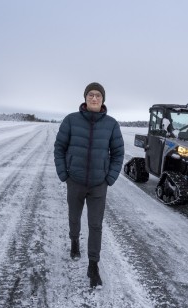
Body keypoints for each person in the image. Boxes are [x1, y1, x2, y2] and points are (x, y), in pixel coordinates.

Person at [53, 82, 125, 289]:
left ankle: (93, 265)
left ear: (103, 100)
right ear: (85, 98)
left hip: (98, 185)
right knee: (74, 218)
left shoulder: (111, 124)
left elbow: (118, 153)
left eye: (98, 96)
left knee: (96, 225)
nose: (94, 98)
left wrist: (109, 178)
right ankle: (74, 241)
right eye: (91, 95)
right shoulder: (71, 120)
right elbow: (59, 148)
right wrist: (63, 174)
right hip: (74, 181)